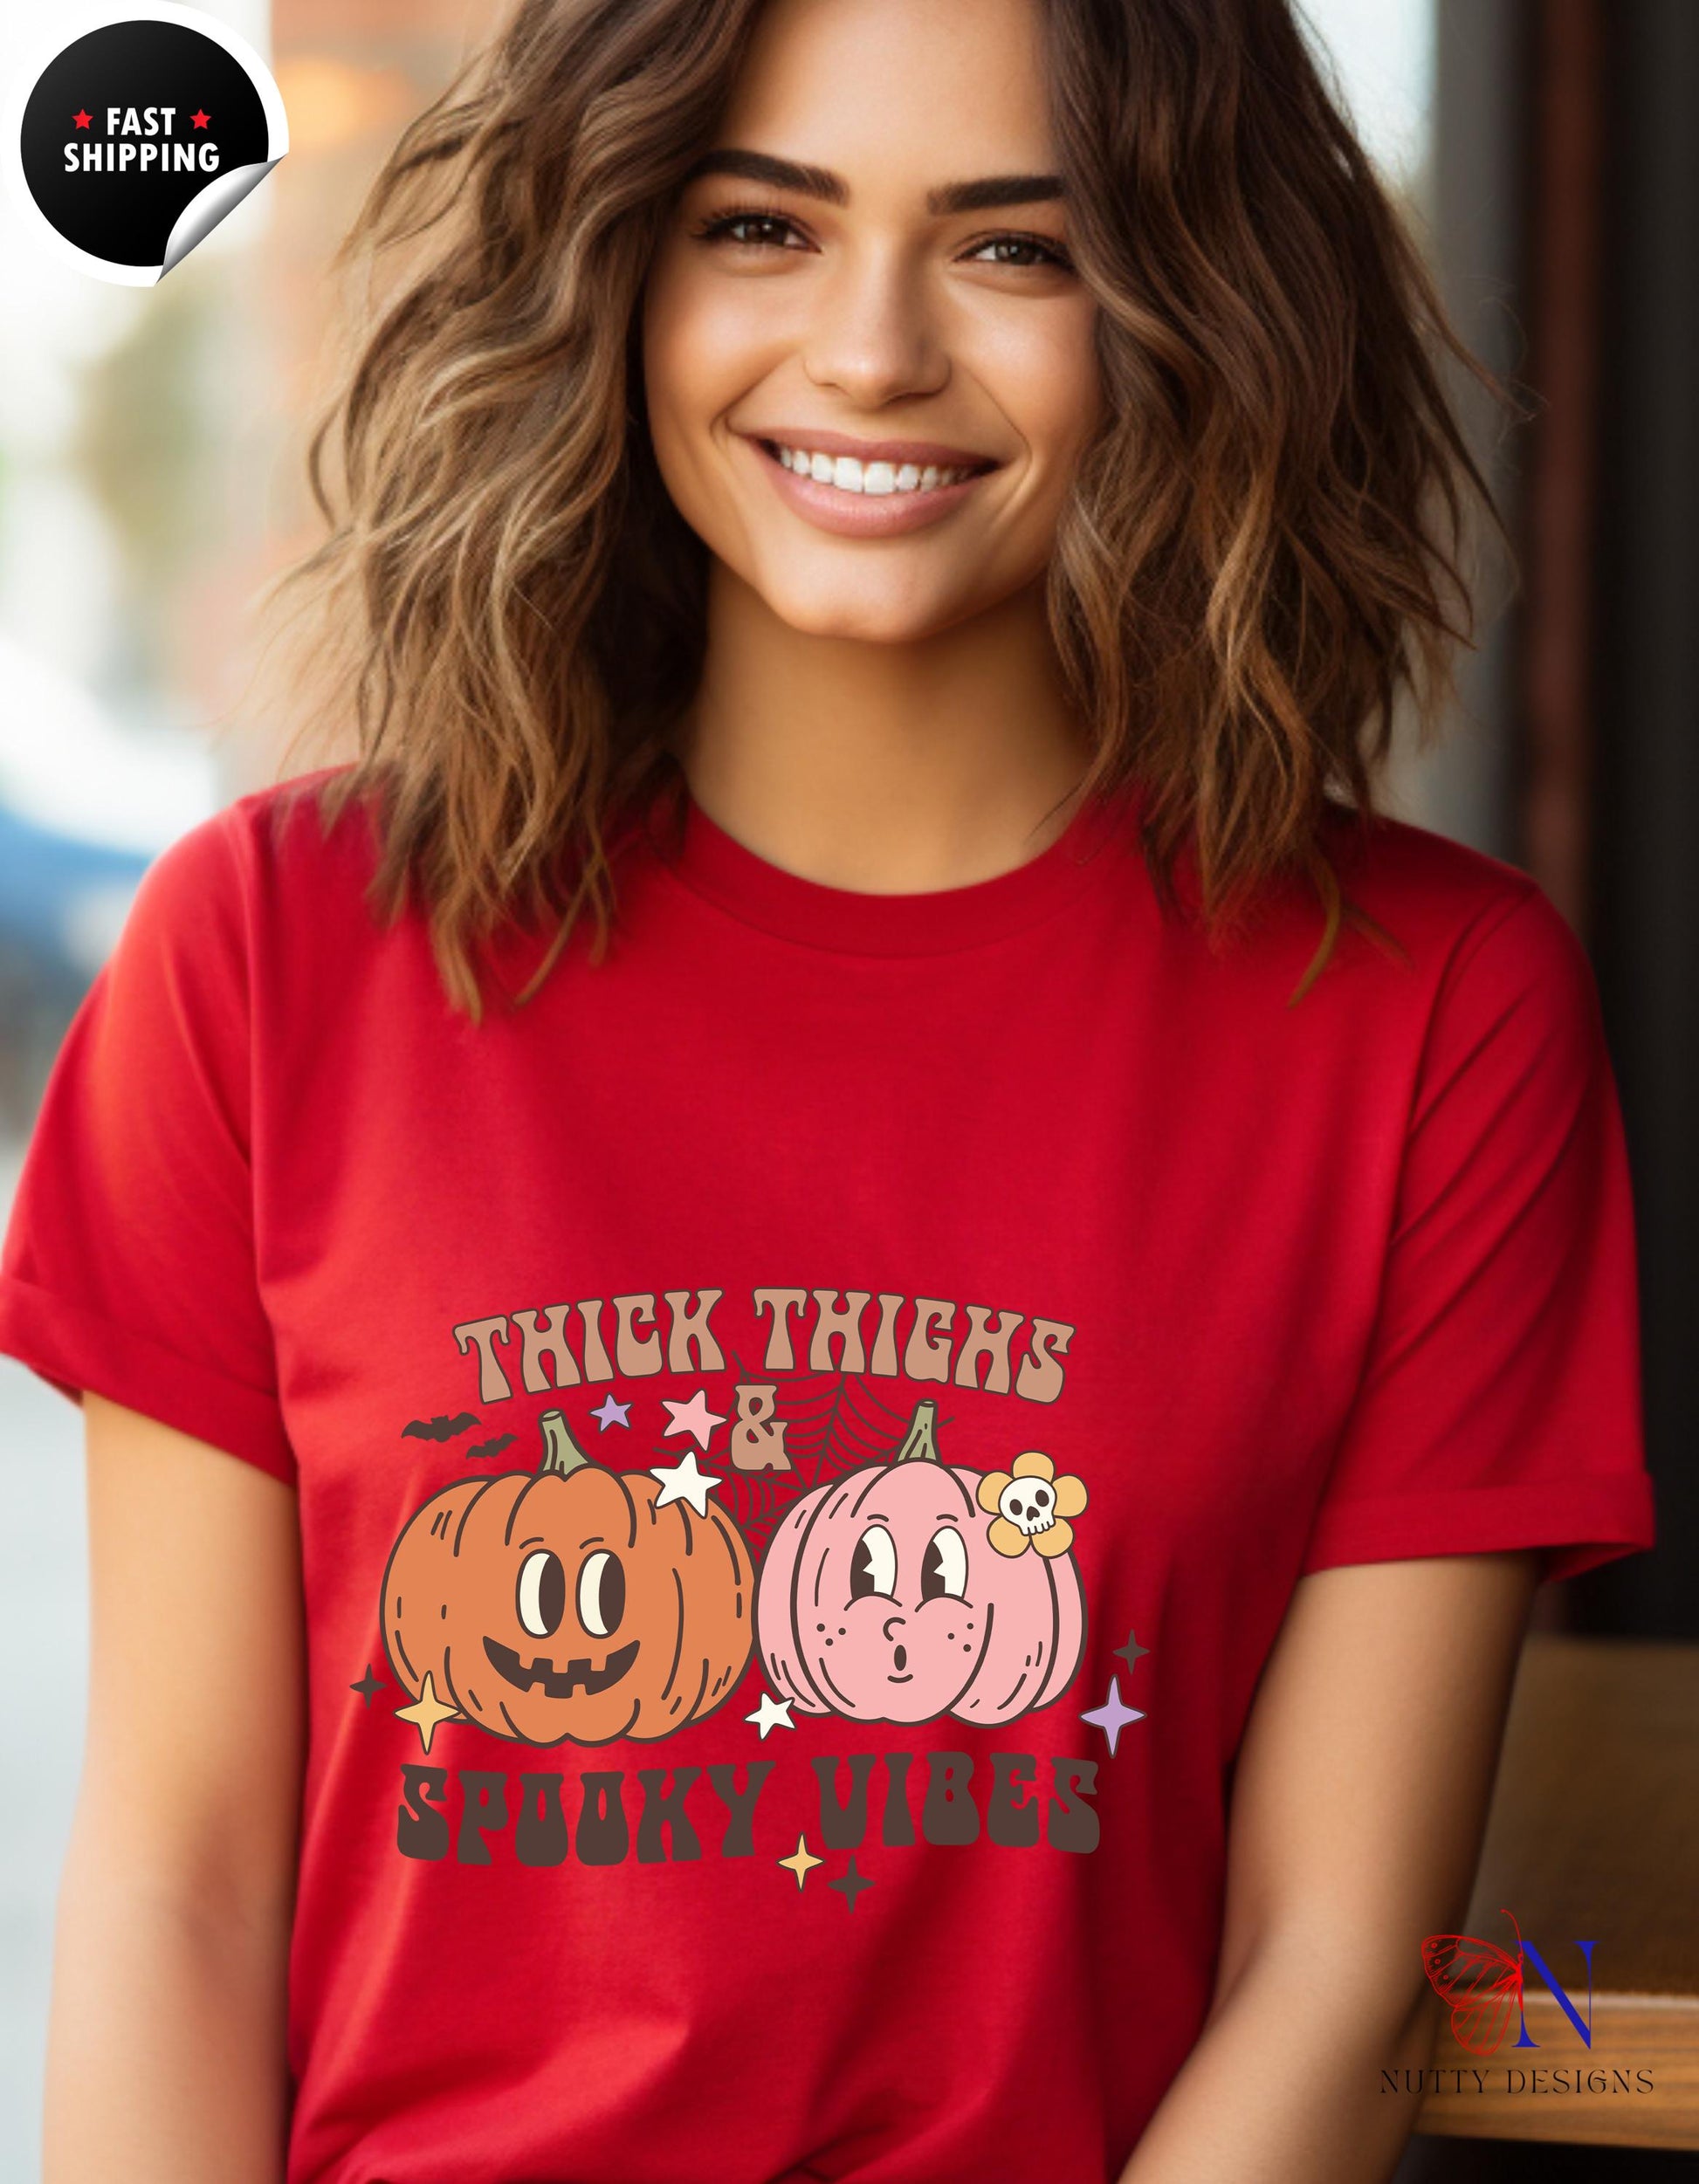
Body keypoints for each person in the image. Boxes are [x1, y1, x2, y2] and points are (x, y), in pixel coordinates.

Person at [0, 0, 1657, 2178]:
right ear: (614, 269)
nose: (870, 350)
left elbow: (1333, 1973)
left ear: (1196, 310)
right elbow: (178, 1897)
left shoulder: (1432, 1012)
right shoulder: (269, 959)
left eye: (1017, 249)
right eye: (761, 226)